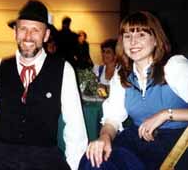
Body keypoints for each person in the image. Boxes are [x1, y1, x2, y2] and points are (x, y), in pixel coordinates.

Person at [0, 0, 88, 170]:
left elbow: (75, 126)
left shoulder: (63, 70)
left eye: (35, 30)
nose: (28, 36)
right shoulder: (0, 66)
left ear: (46, 35)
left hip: (43, 155)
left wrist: (73, 166)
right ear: (15, 32)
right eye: (23, 29)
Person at [78, 11, 188, 170]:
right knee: (95, 161)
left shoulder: (174, 66)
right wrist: (104, 137)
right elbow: (113, 118)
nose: (133, 42)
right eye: (127, 36)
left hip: (175, 141)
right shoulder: (122, 73)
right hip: (137, 139)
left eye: (141, 35)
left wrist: (166, 114)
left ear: (156, 40)